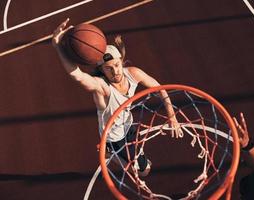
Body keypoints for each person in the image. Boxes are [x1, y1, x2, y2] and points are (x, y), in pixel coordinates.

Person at [52, 19, 182, 176]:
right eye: (108, 68)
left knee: (144, 163)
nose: (115, 71)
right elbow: (78, 76)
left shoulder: (133, 73)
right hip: (114, 136)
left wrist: (172, 116)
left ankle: (115, 152)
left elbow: (160, 89)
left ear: (121, 61)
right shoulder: (102, 88)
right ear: (101, 70)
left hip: (128, 124)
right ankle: (108, 151)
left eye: (117, 65)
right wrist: (57, 46)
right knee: (144, 171)